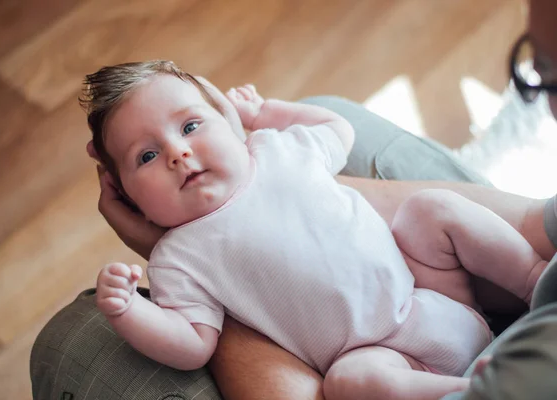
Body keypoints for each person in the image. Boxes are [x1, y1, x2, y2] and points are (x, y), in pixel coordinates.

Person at [81, 57, 549, 400]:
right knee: (348, 383)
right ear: (129, 199)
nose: (177, 154)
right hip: (385, 358)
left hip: (434, 295)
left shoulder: (274, 149)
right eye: (146, 157)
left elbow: (338, 129)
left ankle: (535, 281)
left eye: (190, 125)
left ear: (229, 124)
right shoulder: (176, 257)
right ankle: (471, 390)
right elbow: (192, 344)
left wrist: (265, 114)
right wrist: (129, 312)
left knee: (433, 210)